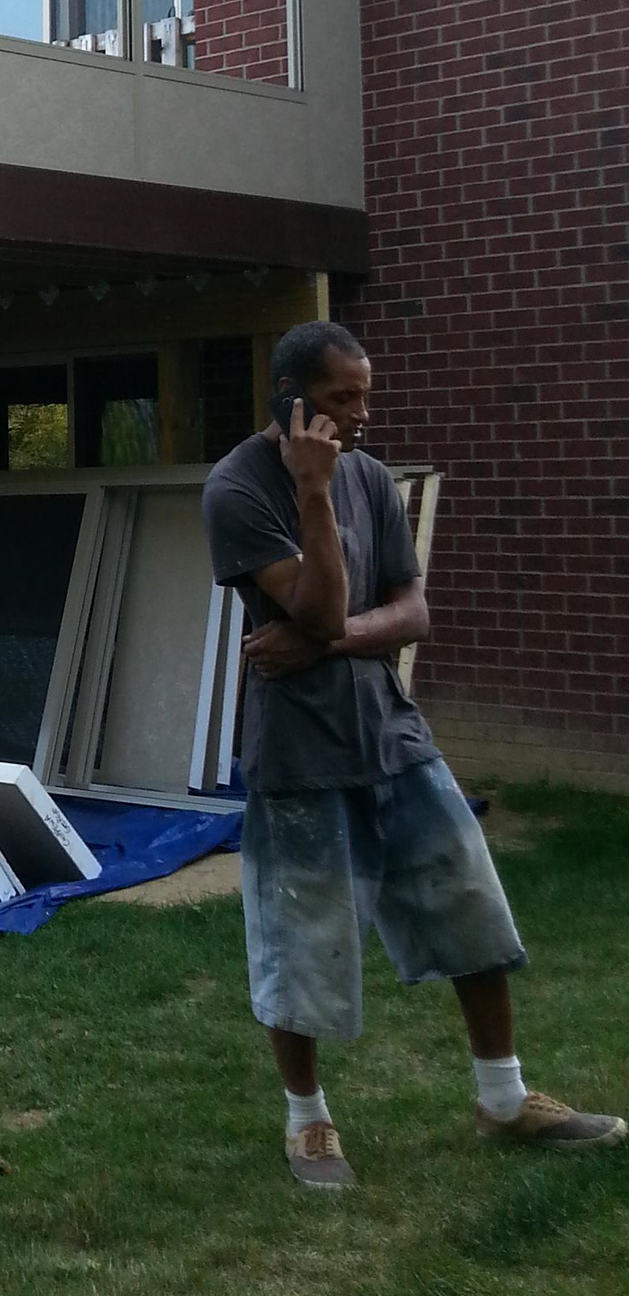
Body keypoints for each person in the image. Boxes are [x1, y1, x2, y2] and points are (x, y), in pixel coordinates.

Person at [201, 319, 624, 1189]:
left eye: (366, 395)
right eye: (341, 398)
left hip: (393, 735)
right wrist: (312, 494)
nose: (361, 414)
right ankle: (308, 1122)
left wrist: (327, 641)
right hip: (301, 754)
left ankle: (503, 1099)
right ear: (289, 397)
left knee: (470, 904)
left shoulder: (370, 475)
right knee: (300, 944)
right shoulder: (236, 488)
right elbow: (319, 605)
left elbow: (411, 613)